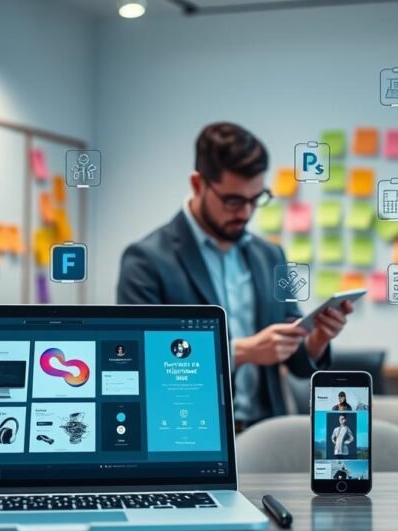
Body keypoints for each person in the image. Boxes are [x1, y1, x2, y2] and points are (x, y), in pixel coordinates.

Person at [117, 122, 354, 430]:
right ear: (198, 184)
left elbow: (294, 357)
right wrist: (239, 352)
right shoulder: (146, 260)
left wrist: (318, 338)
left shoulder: (270, 256)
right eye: (233, 200)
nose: (245, 212)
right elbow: (141, 362)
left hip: (268, 432)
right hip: (190, 433)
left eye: (256, 199)